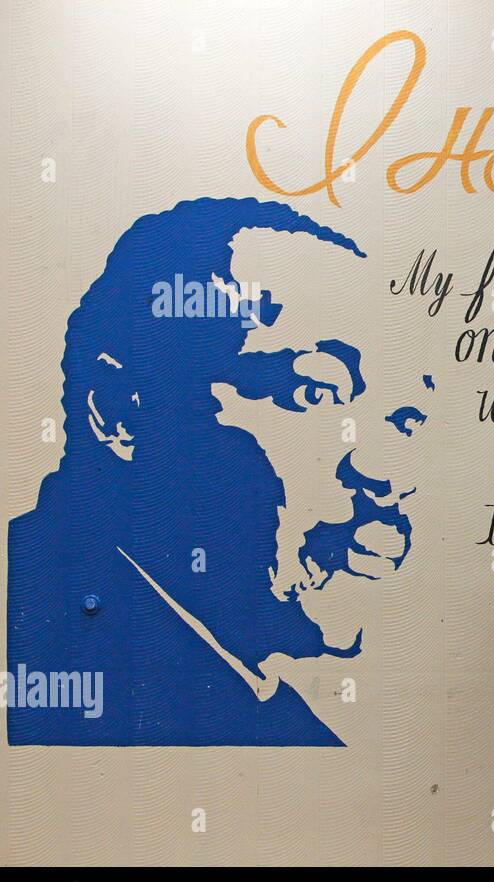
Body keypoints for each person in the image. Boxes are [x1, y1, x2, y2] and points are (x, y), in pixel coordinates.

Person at [7, 198, 432, 746]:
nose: (386, 473)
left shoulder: (274, 689)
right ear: (122, 411)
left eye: (403, 417)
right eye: (312, 394)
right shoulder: (55, 653)